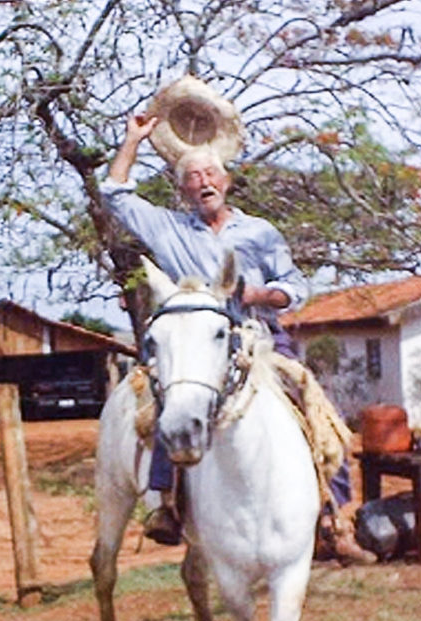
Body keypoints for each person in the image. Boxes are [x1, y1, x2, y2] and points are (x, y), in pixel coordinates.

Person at [100, 113, 372, 565]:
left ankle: (333, 519)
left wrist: (257, 294)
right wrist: (133, 140)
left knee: (316, 406)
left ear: (225, 181)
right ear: (183, 189)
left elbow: (294, 286)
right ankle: (167, 504)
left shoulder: (260, 232)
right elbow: (114, 194)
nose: (203, 182)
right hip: (196, 342)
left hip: (258, 336)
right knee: (172, 401)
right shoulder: (168, 228)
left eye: (210, 173)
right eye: (192, 177)